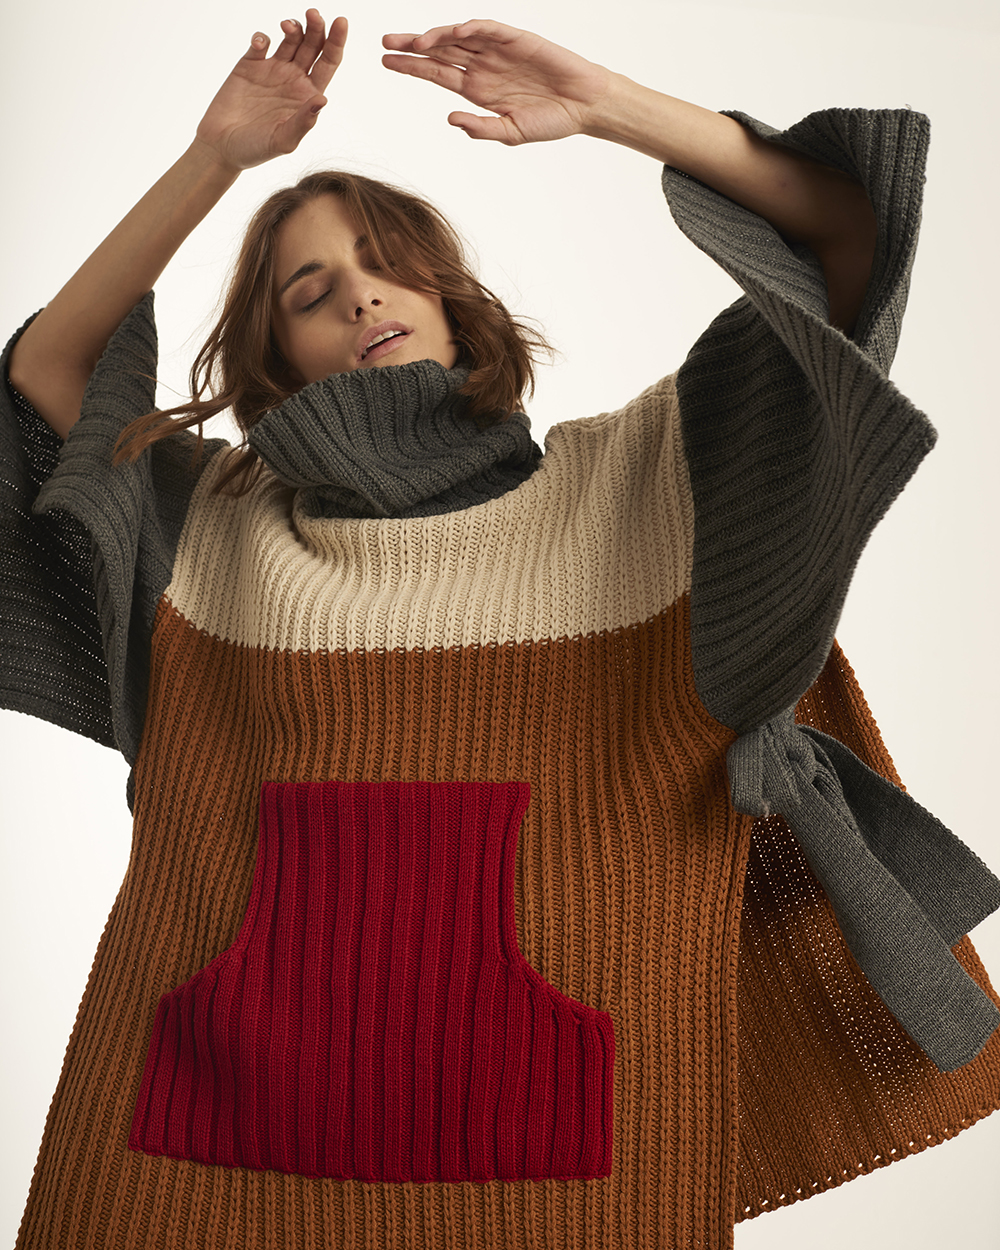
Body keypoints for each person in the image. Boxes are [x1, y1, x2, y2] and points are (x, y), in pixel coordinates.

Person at [2, 12, 999, 1249]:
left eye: (386, 263)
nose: (357, 291)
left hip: (549, 1170)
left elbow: (847, 236)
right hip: (207, 1151)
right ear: (277, 358)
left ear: (448, 299)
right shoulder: (204, 527)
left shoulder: (640, 488)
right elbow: (49, 379)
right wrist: (215, 159)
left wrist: (608, 105)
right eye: (309, 292)